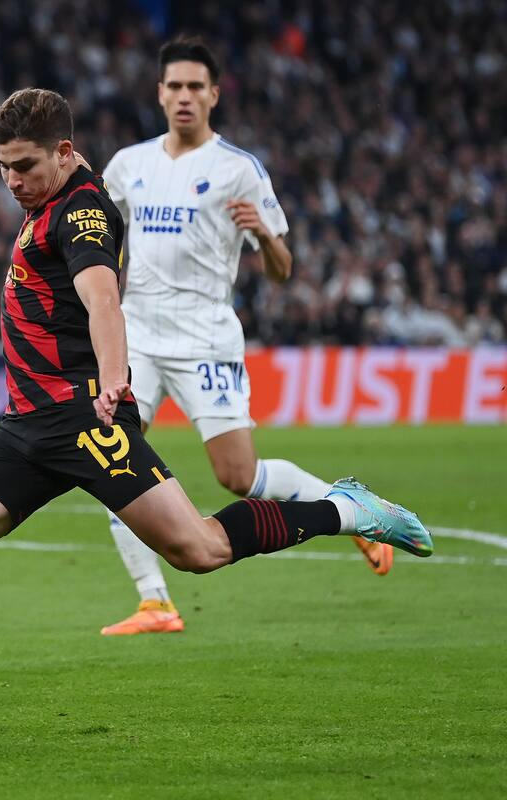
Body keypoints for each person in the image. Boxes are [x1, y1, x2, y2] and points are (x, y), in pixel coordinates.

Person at [0, 89, 432, 739]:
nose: (12, 181)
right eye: (2, 169)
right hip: (27, 428)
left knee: (198, 549)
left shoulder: (82, 211)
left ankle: (345, 510)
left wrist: (113, 380)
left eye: (23, 166)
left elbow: (102, 298)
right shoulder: (45, 199)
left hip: (85, 421)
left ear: (65, 151)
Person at [96, 38, 393, 637]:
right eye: (173, 86)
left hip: (206, 339)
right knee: (110, 459)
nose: (183, 96)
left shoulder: (239, 170)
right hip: (140, 336)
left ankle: (351, 513)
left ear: (213, 94)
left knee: (239, 476)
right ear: (159, 94)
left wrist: (266, 236)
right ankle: (156, 603)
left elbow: (283, 270)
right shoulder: (128, 166)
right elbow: (101, 244)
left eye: (194, 87)